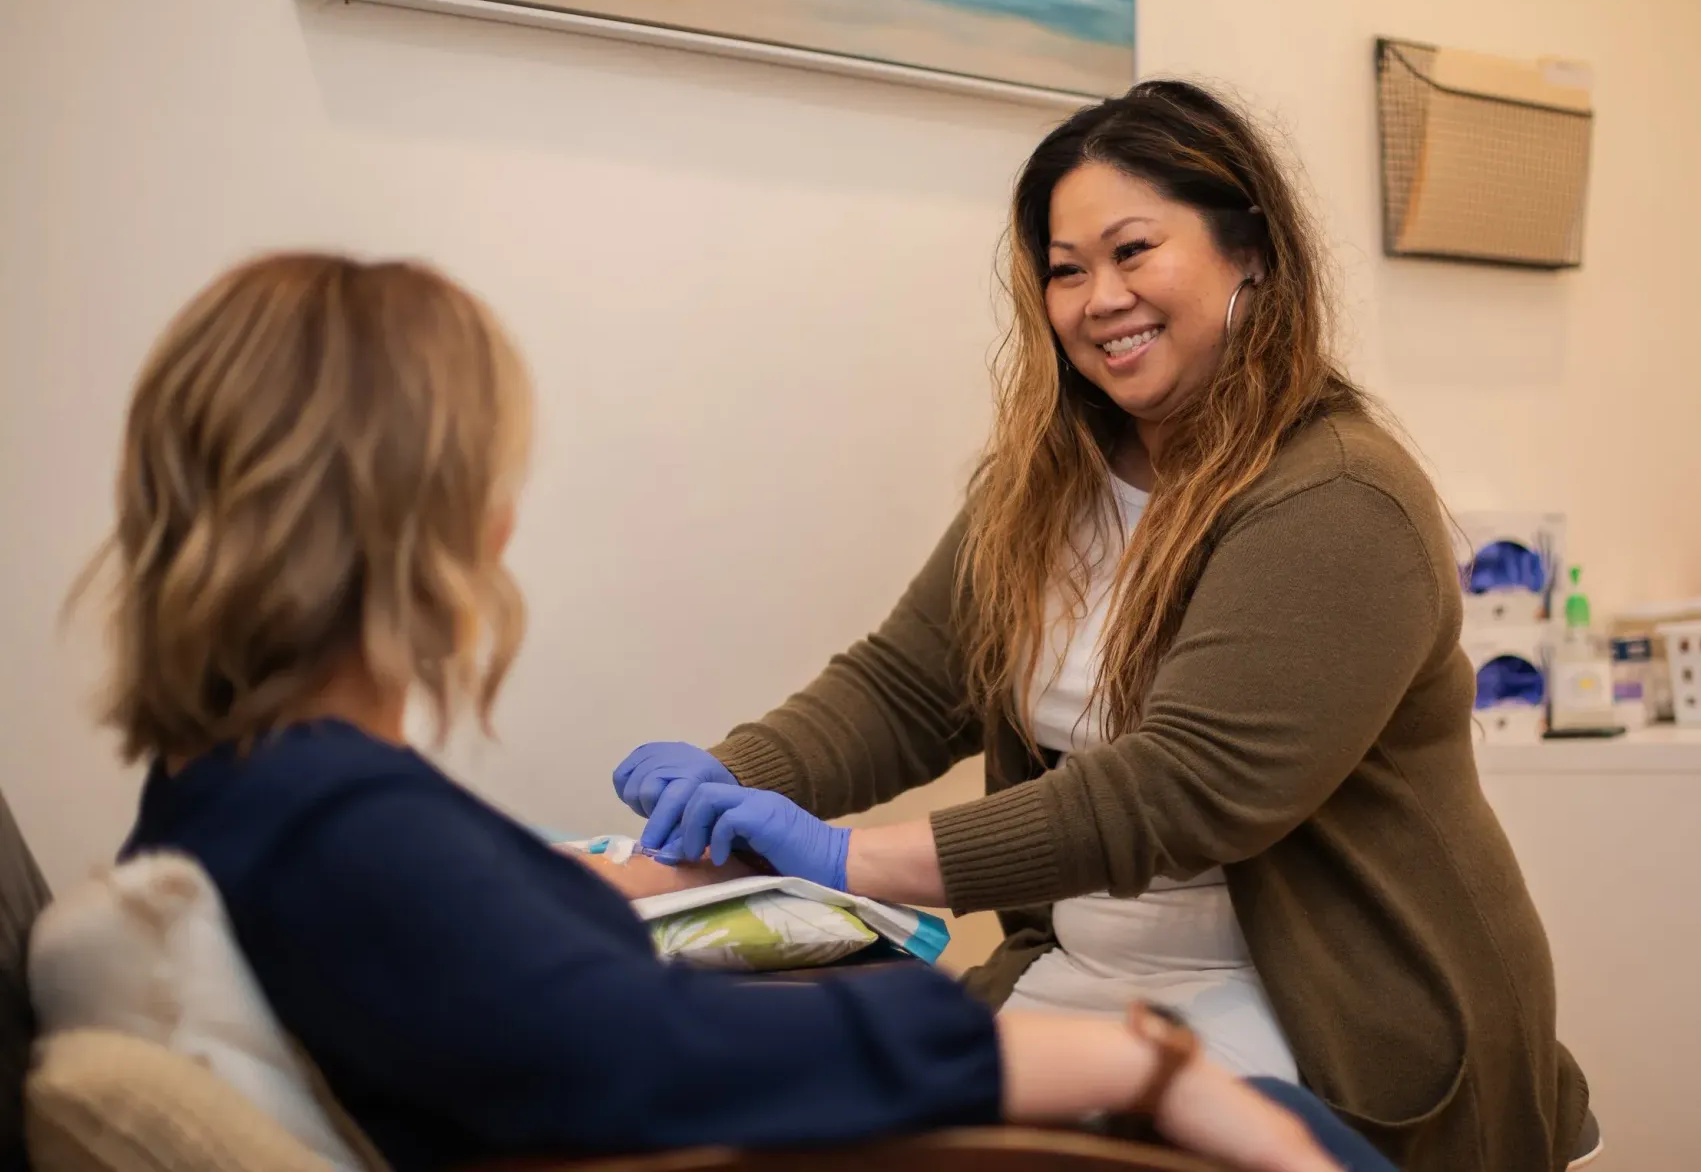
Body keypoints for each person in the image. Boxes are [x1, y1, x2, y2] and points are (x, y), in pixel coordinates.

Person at [82, 252, 1345, 1172]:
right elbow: (652, 1052)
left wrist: (659, 860)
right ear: (428, 518)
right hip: (897, 1082)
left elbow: (482, 943)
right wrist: (1132, 1061)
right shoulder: (337, 822)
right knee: (1296, 1132)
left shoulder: (247, 783)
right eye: (491, 472)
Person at [615, 81, 1590, 1172]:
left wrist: (847, 856)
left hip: (1320, 1019)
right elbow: (903, 686)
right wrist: (728, 784)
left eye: (1133, 251)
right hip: (1085, 978)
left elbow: (1181, 787)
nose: (1099, 297)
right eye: (1066, 269)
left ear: (1250, 252)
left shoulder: (1339, 496)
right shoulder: (1045, 488)